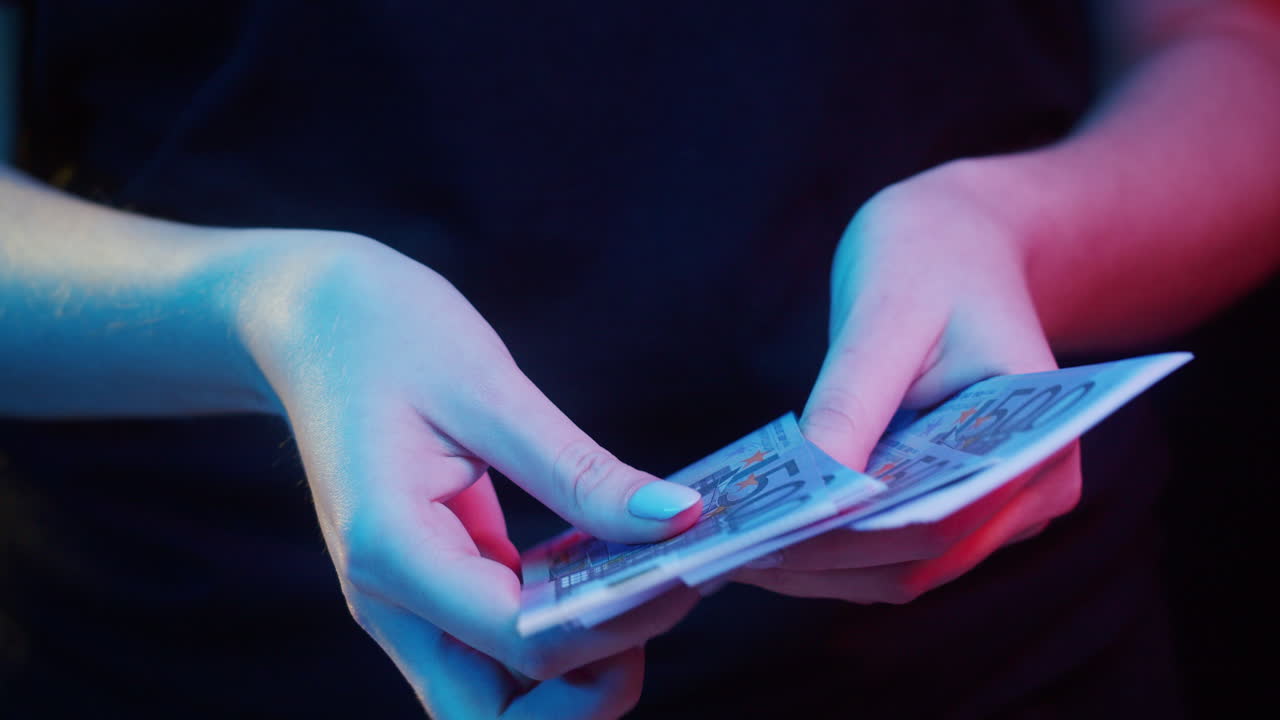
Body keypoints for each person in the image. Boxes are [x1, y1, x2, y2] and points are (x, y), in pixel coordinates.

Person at [1, 0, 1277, 717]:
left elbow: (1230, 63)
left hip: (992, 668)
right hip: (215, 664)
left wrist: (1014, 229)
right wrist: (263, 305)